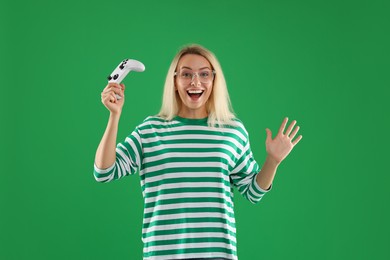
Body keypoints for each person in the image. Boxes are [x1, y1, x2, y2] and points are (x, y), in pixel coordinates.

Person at [94, 44, 302, 260]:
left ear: (214, 80)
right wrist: (114, 115)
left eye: (204, 74)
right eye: (186, 74)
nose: (195, 82)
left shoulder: (232, 131)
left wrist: (273, 160)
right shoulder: (151, 130)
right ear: (174, 81)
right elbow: (104, 172)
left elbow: (253, 192)